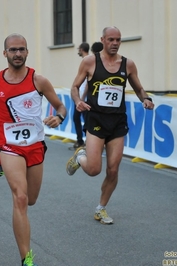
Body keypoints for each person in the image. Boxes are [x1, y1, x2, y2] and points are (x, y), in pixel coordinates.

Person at [0, 33, 66, 266]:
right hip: (9, 146)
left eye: (21, 49)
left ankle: (2, 162)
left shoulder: (38, 80)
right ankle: (26, 258)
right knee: (19, 198)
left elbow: (60, 106)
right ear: (5, 53)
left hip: (35, 146)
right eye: (13, 50)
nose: (17, 54)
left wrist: (59, 117)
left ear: (27, 52)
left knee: (31, 199)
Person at [66, 26, 154, 225]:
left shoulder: (128, 64)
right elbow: (74, 87)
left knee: (113, 170)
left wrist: (145, 98)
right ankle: (81, 157)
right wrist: (78, 100)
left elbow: (138, 88)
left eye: (118, 40)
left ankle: (101, 208)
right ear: (103, 40)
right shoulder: (89, 61)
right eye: (111, 39)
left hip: (117, 121)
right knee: (94, 169)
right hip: (96, 119)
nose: (115, 43)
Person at [71, 42, 89, 150]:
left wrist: (81, 98)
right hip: (81, 96)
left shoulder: (86, 61)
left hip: (83, 98)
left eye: (78, 49)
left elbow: (87, 82)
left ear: (82, 49)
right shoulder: (87, 60)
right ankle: (82, 140)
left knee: (80, 119)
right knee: (80, 118)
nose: (78, 51)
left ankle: (82, 141)